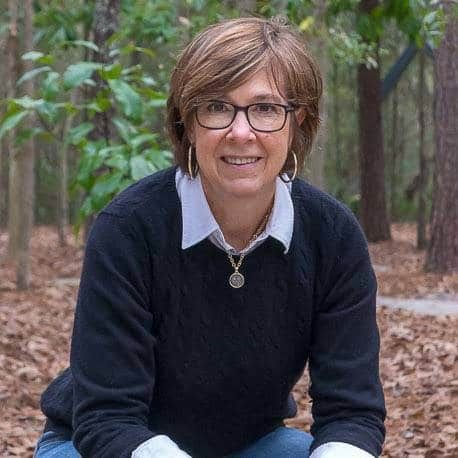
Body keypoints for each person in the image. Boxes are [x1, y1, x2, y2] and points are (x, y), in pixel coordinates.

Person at [34, 16, 386, 458]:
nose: (241, 132)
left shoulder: (332, 235)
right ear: (188, 122)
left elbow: (352, 414)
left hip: (249, 444)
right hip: (100, 445)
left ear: (299, 121)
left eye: (266, 108)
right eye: (217, 107)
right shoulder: (129, 228)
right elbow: (107, 418)